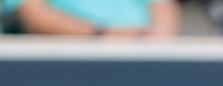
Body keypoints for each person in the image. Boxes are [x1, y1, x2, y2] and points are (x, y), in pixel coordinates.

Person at [7, 0, 179, 37]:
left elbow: (163, 9)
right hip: (66, 71)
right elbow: (35, 17)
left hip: (142, 66)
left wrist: (153, 42)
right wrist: (102, 34)